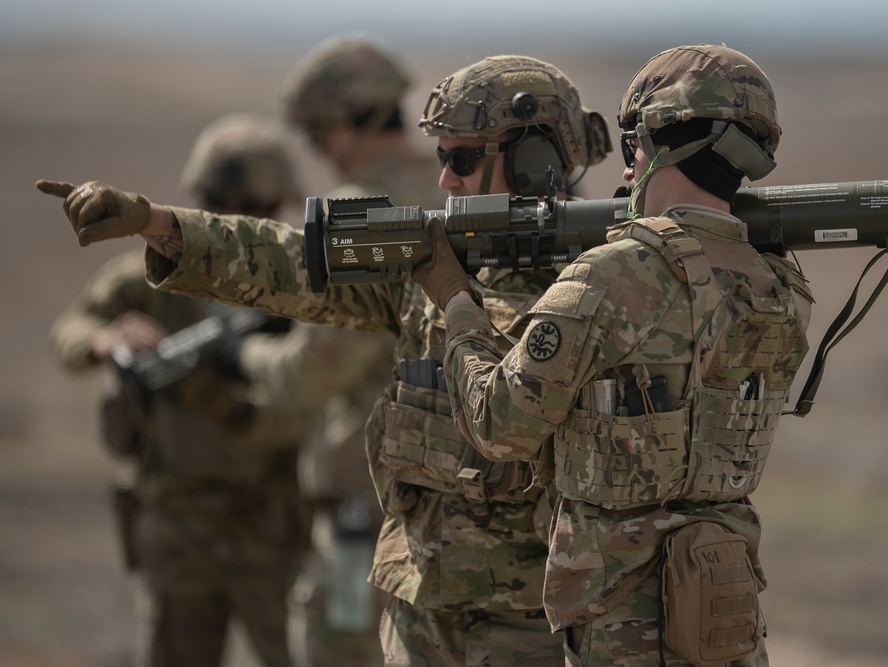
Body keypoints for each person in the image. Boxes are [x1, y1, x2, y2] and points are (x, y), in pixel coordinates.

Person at [38, 54, 612, 667]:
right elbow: (294, 259)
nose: (446, 180)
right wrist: (155, 222)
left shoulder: (606, 289)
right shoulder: (431, 254)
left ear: (532, 161)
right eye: (442, 156)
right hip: (427, 621)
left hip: (538, 629)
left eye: (463, 158)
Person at [410, 45, 814, 667]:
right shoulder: (782, 286)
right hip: (722, 616)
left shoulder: (610, 276)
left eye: (634, 145)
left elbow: (498, 426)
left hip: (624, 628)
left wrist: (457, 304)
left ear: (650, 143)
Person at [49, 113, 315, 667]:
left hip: (269, 524)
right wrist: (106, 341)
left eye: (259, 209)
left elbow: (322, 386)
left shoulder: (304, 283)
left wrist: (231, 403)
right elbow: (70, 334)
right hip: (178, 526)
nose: (242, 220)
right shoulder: (151, 275)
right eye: (226, 203)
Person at [245, 34, 442, 667]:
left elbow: (317, 368)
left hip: (374, 507)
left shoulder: (357, 215)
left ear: (341, 123)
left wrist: (248, 363)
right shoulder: (463, 192)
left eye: (315, 137)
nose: (320, 155)